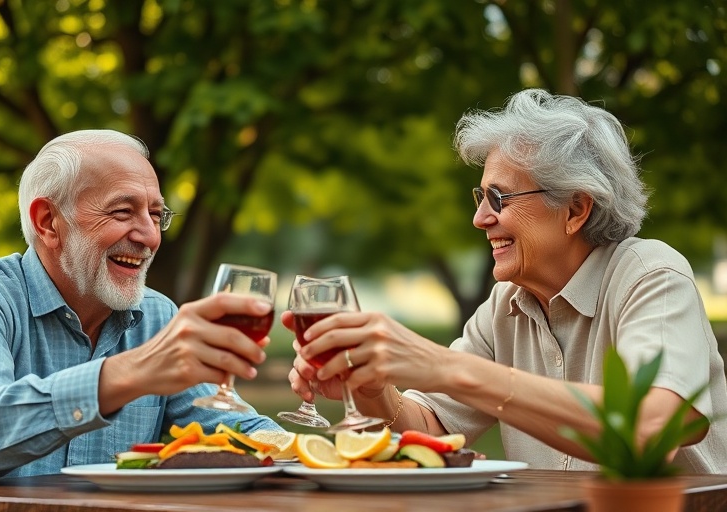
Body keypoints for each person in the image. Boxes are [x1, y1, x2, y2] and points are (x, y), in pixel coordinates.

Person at [285, 89, 727, 472]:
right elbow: (428, 430)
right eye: (481, 197)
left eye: (499, 198)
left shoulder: (650, 275)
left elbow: (650, 427)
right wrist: (374, 389)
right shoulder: (505, 305)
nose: (479, 219)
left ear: (575, 209)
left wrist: (450, 368)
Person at [0, 130, 282, 484]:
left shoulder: (157, 316)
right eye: (123, 211)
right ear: (48, 222)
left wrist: (331, 419)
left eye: (156, 215)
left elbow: (233, 431)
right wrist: (132, 372)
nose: (149, 236)